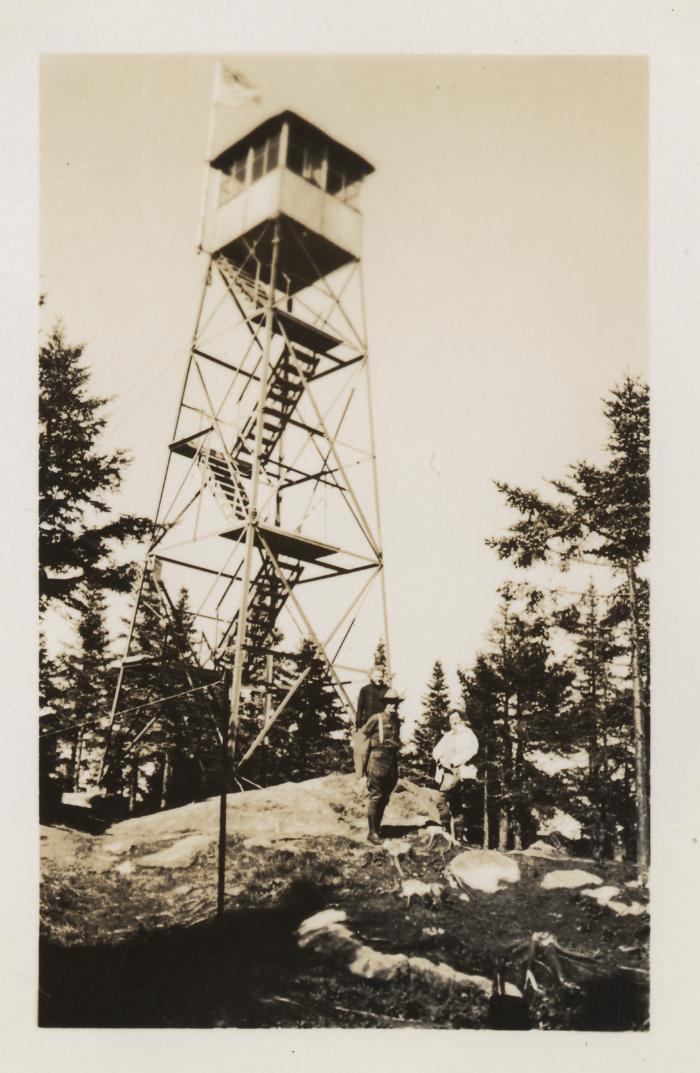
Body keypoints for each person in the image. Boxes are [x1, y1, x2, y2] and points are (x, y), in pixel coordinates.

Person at [361, 688, 404, 844]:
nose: (393, 706)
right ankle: (372, 833)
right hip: (377, 760)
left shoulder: (396, 721)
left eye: (395, 703)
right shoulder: (376, 718)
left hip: (392, 761)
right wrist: (362, 768)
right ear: (385, 704)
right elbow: (362, 737)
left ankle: (377, 830)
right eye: (390, 703)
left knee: (385, 798)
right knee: (376, 796)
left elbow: (396, 742)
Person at [432, 711, 479, 836]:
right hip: (446, 773)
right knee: (452, 803)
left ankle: (455, 834)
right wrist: (441, 759)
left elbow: (472, 750)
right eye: (451, 718)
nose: (454, 721)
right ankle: (450, 833)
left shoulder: (467, 734)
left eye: (456, 718)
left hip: (461, 772)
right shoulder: (447, 736)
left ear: (461, 719)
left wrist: (454, 761)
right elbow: (436, 751)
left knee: (444, 799)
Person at [353, 664, 388, 778]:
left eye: (381, 676)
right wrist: (358, 724)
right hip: (367, 724)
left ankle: (374, 777)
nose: (379, 678)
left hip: (381, 726)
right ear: (372, 676)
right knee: (362, 751)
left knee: (378, 753)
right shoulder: (365, 690)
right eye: (376, 676)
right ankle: (359, 776)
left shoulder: (387, 690)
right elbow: (360, 708)